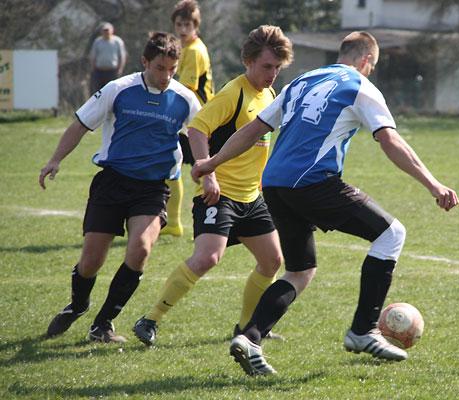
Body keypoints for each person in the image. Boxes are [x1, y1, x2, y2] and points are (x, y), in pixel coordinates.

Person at [192, 31, 459, 375]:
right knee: (392, 234)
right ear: (366, 60)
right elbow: (390, 140)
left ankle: (250, 337)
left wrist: (212, 162)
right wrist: (434, 184)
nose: (370, 71)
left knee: (299, 270)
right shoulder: (360, 86)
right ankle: (363, 330)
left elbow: (252, 130)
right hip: (313, 182)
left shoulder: (300, 82)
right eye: (372, 66)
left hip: (274, 185)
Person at [132, 25, 294, 346]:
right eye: (266, 66)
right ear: (248, 61)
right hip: (219, 195)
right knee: (207, 258)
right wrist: (209, 174)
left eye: (277, 67)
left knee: (272, 261)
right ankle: (150, 319)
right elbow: (197, 129)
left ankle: (246, 328)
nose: (272, 73)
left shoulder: (270, 95)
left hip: (252, 197)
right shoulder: (234, 93)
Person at [40, 32, 200, 343]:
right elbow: (81, 124)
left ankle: (103, 323)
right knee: (91, 261)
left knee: (140, 249)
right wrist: (55, 160)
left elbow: (201, 132)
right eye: (159, 68)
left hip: (152, 188)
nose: (166, 76)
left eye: (172, 69)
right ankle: (78, 305)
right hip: (112, 182)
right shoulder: (119, 89)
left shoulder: (185, 99)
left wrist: (207, 168)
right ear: (144, 62)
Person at [162, 0, 215, 237]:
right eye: (179, 24)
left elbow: (186, 90)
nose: (182, 29)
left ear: (196, 26)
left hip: (197, 121)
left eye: (187, 25)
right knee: (172, 163)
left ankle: (209, 222)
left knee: (201, 171)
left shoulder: (194, 51)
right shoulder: (185, 48)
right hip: (191, 120)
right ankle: (174, 223)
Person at [89, 22, 127, 95]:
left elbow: (122, 56)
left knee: (112, 92)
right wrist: (93, 69)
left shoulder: (117, 41)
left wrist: (120, 69)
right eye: (104, 30)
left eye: (107, 30)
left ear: (112, 30)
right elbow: (93, 56)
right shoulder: (97, 42)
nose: (106, 32)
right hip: (99, 72)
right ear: (101, 31)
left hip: (112, 72)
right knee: (99, 93)